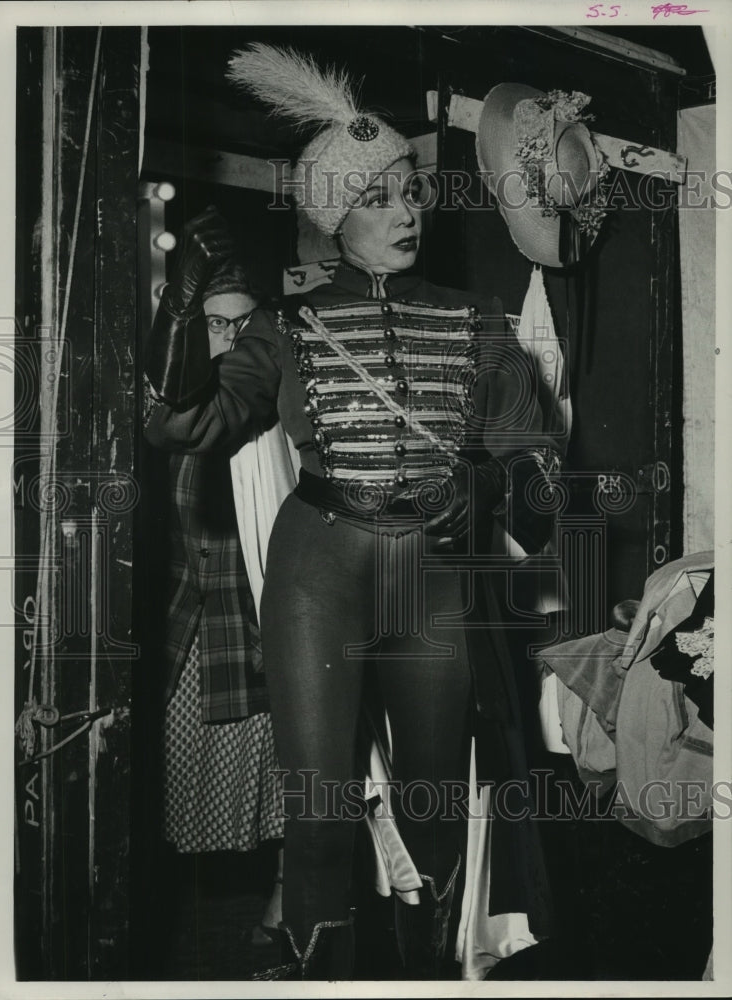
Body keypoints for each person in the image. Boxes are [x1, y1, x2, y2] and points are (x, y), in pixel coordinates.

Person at [144, 42, 559, 980]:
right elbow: (186, 423)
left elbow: (539, 465)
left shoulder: (477, 320)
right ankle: (319, 968)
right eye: (377, 197)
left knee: (432, 796)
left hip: (431, 572)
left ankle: (427, 968)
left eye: (409, 192)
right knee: (320, 799)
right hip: (316, 567)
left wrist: (486, 489)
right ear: (334, 216)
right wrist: (180, 307)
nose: (406, 212)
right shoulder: (281, 328)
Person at [150, 260, 284, 942]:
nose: (231, 337)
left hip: (255, 629)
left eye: (244, 323)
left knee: (276, 782)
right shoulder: (172, 412)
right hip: (183, 627)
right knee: (166, 785)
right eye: (215, 323)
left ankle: (283, 907)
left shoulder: (270, 415)